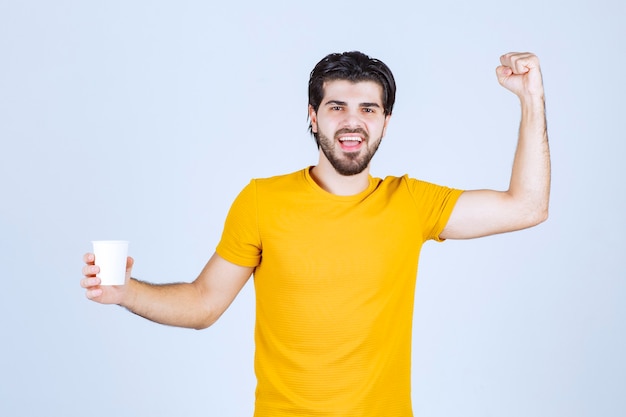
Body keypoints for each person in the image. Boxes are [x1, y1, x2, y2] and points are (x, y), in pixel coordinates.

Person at [81, 51, 550, 416]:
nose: (352, 121)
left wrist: (532, 99)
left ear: (386, 121)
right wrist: (127, 292)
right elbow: (204, 303)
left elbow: (526, 206)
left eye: (368, 108)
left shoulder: (412, 203)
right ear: (313, 115)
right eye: (336, 106)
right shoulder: (263, 200)